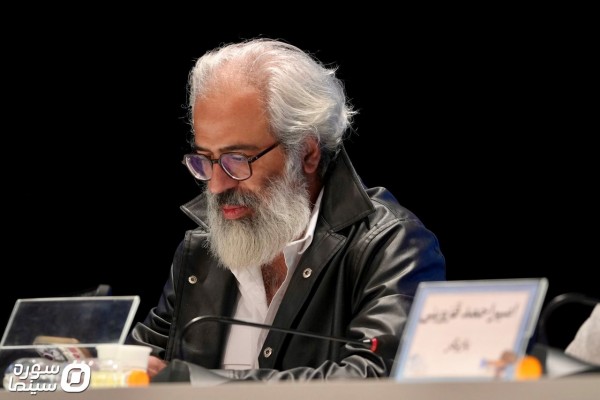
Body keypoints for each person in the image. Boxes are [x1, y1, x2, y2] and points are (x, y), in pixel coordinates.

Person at [127, 37, 446, 382]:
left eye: (238, 160)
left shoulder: (389, 245)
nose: (216, 186)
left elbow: (375, 375)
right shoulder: (202, 250)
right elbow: (141, 362)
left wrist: (201, 384)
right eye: (205, 159)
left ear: (306, 153)